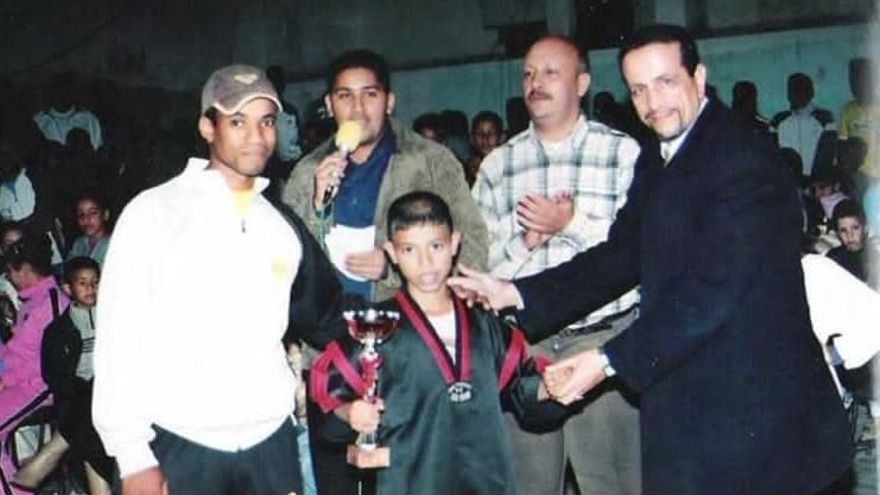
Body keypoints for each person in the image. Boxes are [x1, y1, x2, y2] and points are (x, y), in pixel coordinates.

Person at [449, 24, 852, 495]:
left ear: (698, 78)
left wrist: (606, 359)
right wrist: (516, 292)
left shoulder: (742, 154)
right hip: (696, 409)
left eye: (665, 82)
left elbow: (711, 291)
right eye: (638, 89)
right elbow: (623, 254)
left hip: (763, 420)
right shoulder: (659, 155)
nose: (652, 102)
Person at [92, 64, 346, 495]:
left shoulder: (280, 225)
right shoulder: (154, 212)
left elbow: (328, 317)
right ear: (207, 127)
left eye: (266, 121)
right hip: (182, 442)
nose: (256, 136)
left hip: (270, 447)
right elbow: (119, 340)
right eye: (237, 122)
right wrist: (132, 456)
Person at [283, 48, 487, 495]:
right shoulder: (305, 173)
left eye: (369, 94)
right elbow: (286, 269)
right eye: (345, 96)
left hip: (412, 354)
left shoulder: (430, 162)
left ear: (389, 101)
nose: (358, 108)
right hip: (331, 359)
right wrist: (317, 204)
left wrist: (392, 265)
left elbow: (472, 246)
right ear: (330, 105)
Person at [309, 191, 564, 495]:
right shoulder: (375, 326)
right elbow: (326, 399)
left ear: (455, 242)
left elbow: (524, 388)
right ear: (391, 251)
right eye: (409, 249)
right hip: (410, 482)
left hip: (487, 481)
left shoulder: (486, 323)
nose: (425, 262)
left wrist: (551, 388)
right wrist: (349, 413)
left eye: (436, 246)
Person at [474, 35, 641, 495]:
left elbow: (637, 250)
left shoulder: (623, 154)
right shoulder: (497, 165)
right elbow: (482, 266)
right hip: (526, 350)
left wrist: (570, 222)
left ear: (582, 82)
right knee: (526, 485)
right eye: (528, 73)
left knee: (617, 485)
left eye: (551, 72)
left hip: (604, 341)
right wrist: (527, 241)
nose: (535, 83)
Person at [14, 257, 112, 495]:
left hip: (113, 390)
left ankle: (46, 457)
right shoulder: (59, 329)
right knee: (87, 418)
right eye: (83, 283)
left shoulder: (113, 319)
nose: (91, 288)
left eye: (96, 282)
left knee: (87, 416)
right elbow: (53, 375)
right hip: (78, 395)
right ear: (68, 288)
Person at [0, 231, 68, 495]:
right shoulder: (33, 302)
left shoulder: (50, 303)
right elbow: (17, 353)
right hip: (23, 381)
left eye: (11, 273)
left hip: (41, 387)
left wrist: (6, 380)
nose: (11, 279)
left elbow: (41, 362)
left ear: (25, 270)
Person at [771, 72, 834, 177]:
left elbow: (828, 154)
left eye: (801, 90)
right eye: (791, 90)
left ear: (811, 92)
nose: (795, 94)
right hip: (786, 181)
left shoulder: (825, 119)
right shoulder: (778, 120)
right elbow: (773, 154)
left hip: (816, 183)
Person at [66, 192, 111, 267]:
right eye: (81, 214)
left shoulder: (112, 244)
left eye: (93, 213)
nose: (86, 219)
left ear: (105, 215)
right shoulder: (78, 244)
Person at [465, 110, 503, 187]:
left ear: (501, 138)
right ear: (472, 138)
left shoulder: (508, 166)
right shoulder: (466, 170)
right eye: (479, 133)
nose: (485, 138)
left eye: (491, 133)